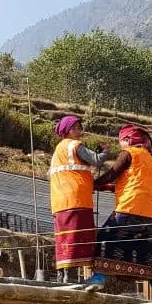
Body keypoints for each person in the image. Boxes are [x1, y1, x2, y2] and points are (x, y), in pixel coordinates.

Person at [80, 124, 152, 301]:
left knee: (106, 237)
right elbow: (130, 182)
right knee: (146, 247)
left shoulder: (128, 153)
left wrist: (93, 184)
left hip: (130, 208)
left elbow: (113, 173)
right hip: (150, 213)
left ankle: (99, 277)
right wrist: (107, 187)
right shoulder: (149, 160)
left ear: (127, 140)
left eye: (121, 142)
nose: (120, 146)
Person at [48, 115, 107, 281]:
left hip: (61, 203)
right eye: (75, 128)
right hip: (76, 200)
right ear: (67, 131)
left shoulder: (57, 151)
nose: (78, 131)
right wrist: (106, 151)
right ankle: (72, 279)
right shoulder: (74, 145)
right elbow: (96, 160)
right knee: (77, 238)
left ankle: (64, 276)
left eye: (79, 127)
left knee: (65, 238)